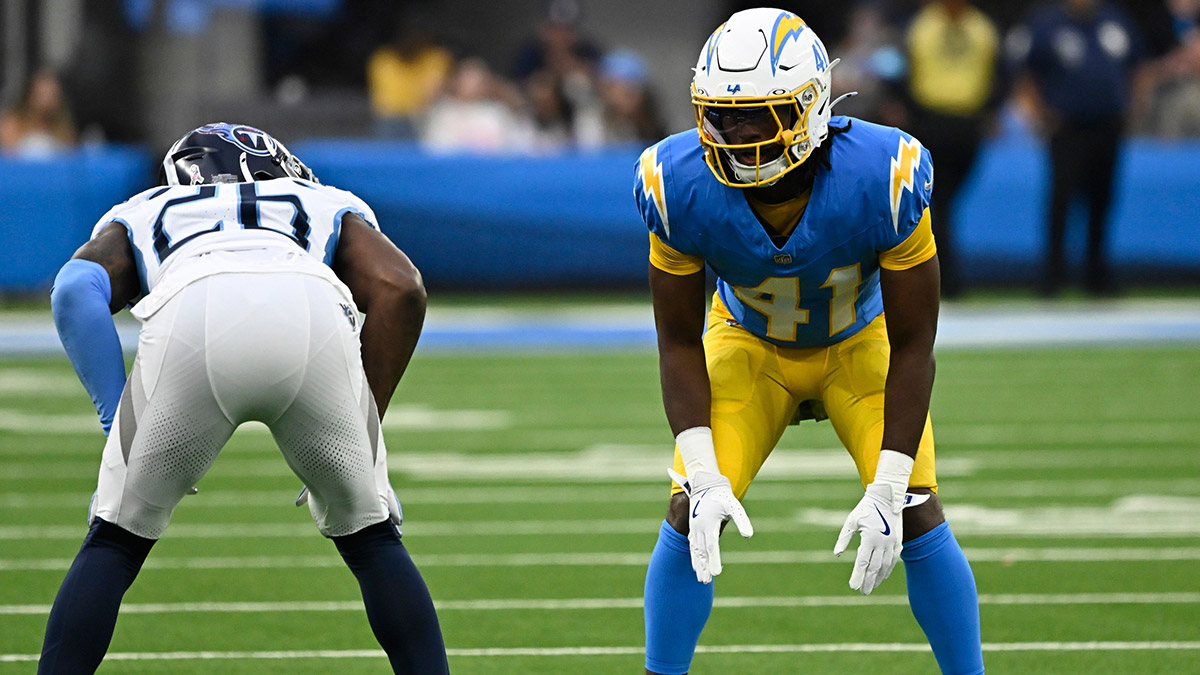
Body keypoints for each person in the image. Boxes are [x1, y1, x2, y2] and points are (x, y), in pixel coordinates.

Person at [635, 9, 982, 675]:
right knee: (689, 511)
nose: (733, 135)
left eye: (755, 117)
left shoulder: (884, 175)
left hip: (861, 340)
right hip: (748, 344)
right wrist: (704, 475)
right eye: (721, 116)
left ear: (808, 108)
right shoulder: (676, 183)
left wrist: (887, 484)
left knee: (915, 506)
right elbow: (676, 341)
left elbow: (915, 345)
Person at [40, 123, 448, 674]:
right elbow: (401, 286)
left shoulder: (148, 207)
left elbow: (74, 290)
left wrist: (116, 417)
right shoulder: (321, 201)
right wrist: (365, 419)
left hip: (192, 310)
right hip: (311, 307)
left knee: (114, 539)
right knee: (372, 538)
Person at [1007, 0, 1148, 296]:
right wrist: (1038, 114)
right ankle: (1053, 275)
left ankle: (1096, 274)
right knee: (1061, 201)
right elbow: (1025, 72)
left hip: (1108, 126)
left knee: (1102, 200)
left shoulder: (1115, 21)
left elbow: (1138, 66)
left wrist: (1135, 106)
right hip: (1067, 127)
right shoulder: (1046, 24)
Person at [903, 0, 1001, 298]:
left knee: (940, 203)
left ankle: (942, 277)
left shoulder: (980, 29)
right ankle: (947, 278)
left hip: (965, 123)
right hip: (931, 120)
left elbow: (998, 76)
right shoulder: (924, 26)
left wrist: (989, 111)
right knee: (937, 203)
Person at [0, 68, 77, 157]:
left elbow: (69, 158)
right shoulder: (11, 126)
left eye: (52, 95)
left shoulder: (64, 130)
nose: (47, 102)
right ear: (30, 96)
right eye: (42, 95)